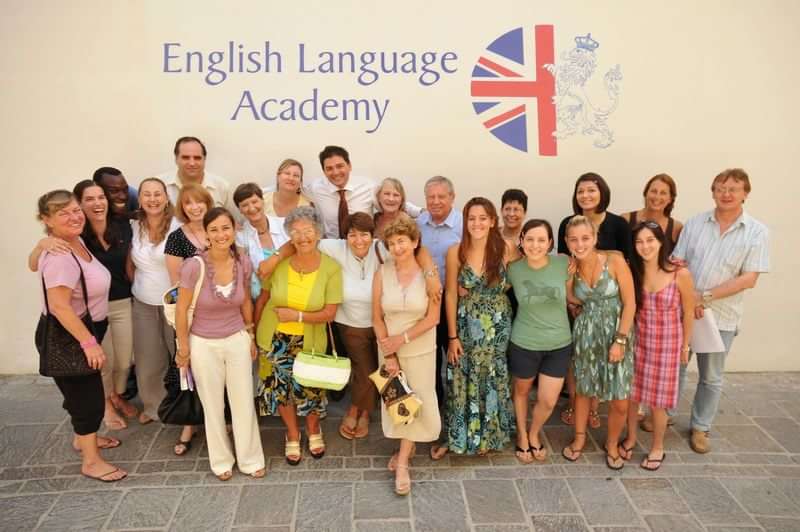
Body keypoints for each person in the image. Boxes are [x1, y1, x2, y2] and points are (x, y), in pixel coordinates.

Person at [670, 168, 769, 454]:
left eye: (733, 189)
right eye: (720, 188)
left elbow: (749, 278)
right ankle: (665, 414)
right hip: (685, 311)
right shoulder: (696, 223)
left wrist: (705, 297)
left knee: (711, 376)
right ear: (712, 191)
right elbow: (677, 261)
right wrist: (691, 299)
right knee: (676, 367)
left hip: (721, 317)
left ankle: (701, 427)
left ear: (745, 194)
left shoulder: (756, 232)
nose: (726, 194)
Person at [28, 181, 139, 430]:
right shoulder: (69, 236)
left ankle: (112, 397)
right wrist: (40, 244)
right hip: (83, 318)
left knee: (121, 362)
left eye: (102, 197)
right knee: (98, 368)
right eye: (89, 200)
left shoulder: (110, 229)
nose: (97, 203)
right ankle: (103, 407)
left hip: (112, 308)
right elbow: (37, 268)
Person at [34, 190, 127, 482]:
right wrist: (88, 343)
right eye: (63, 213)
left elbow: (32, 263)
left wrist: (39, 246)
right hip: (71, 333)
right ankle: (91, 461)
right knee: (88, 399)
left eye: (75, 210)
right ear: (47, 220)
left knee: (80, 393)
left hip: (85, 328)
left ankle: (82, 439)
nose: (74, 216)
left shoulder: (76, 243)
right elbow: (59, 306)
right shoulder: (61, 256)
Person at [175, 207, 266, 481]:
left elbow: (247, 302)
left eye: (225, 228)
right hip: (203, 342)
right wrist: (183, 348)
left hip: (237, 338)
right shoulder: (194, 266)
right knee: (212, 405)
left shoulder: (243, 262)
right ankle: (221, 461)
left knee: (242, 402)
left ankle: (250, 459)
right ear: (206, 233)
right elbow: (181, 309)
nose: (220, 234)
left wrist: (250, 335)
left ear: (234, 230)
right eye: (213, 229)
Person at [254, 206, 342, 465]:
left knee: (311, 391)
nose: (303, 237)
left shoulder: (331, 269)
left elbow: (329, 313)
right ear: (289, 237)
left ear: (318, 233)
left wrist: (298, 316)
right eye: (296, 232)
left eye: (308, 231)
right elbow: (263, 299)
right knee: (281, 392)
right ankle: (292, 433)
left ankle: (313, 429)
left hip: (310, 340)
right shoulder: (279, 263)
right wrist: (252, 333)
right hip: (275, 338)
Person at [433, 197, 514, 458]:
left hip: (497, 326)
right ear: (464, 221)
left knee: (491, 376)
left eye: (482, 218)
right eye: (471, 218)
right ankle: (460, 435)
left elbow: (523, 276)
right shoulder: (455, 251)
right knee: (461, 376)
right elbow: (450, 296)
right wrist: (453, 336)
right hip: (466, 325)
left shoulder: (507, 249)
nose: (477, 223)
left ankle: (488, 436)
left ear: (492, 221)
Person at [557, 172, 632, 429]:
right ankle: (579, 414)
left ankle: (598, 415)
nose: (586, 195)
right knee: (581, 374)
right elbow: (566, 276)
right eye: (581, 191)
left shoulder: (616, 238)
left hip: (613, 315)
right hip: (585, 318)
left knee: (615, 385)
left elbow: (628, 292)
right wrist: (572, 302)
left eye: (591, 190)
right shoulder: (567, 227)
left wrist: (621, 337)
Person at [372, 216, 441, 495]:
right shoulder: (382, 273)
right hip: (388, 350)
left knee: (418, 402)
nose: (397, 247)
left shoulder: (430, 274)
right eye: (391, 243)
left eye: (402, 241)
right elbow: (376, 317)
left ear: (414, 242)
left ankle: (402, 462)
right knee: (399, 404)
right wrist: (388, 349)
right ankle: (405, 450)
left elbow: (433, 317)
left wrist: (404, 339)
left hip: (420, 349)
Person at [561, 215, 635, 470]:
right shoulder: (571, 267)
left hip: (616, 334)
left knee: (619, 397)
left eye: (585, 238)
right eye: (574, 239)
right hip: (586, 334)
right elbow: (572, 298)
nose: (580, 244)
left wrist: (620, 340)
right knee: (583, 389)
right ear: (567, 242)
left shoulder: (613, 261)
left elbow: (630, 303)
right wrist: (570, 279)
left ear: (594, 238)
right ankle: (579, 439)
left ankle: (612, 443)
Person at [627, 221, 695, 470]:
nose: (645, 246)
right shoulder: (634, 272)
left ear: (660, 242)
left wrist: (685, 346)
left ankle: (657, 446)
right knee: (632, 394)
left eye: (650, 240)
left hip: (667, 344)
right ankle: (631, 438)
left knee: (658, 400)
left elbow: (688, 312)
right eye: (639, 241)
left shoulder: (680, 273)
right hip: (639, 341)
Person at [507, 220, 573, 463]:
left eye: (541, 240)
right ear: (522, 240)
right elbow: (493, 288)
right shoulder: (513, 268)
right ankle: (523, 436)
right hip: (524, 342)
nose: (535, 245)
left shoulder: (564, 263)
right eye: (530, 239)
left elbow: (572, 295)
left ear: (550, 243)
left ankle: (535, 431)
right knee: (521, 391)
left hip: (559, 343)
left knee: (548, 399)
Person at [164, 183, 214, 455]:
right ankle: (189, 423)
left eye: (199, 202)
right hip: (190, 311)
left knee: (217, 369)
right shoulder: (176, 238)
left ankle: (218, 418)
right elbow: (175, 282)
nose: (194, 207)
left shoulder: (218, 229)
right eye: (188, 204)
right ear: (182, 208)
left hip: (220, 313)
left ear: (208, 203)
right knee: (188, 366)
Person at [129, 177, 180, 426]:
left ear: (166, 197)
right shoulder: (133, 226)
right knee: (149, 357)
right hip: (143, 301)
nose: (152, 199)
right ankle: (154, 406)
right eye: (147, 194)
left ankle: (186, 406)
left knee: (179, 354)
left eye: (157, 194)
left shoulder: (178, 226)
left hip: (173, 303)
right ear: (139, 199)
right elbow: (130, 264)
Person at [303, 145, 420, 238]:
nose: (335, 172)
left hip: (364, 247)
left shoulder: (368, 186)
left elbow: (391, 201)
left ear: (349, 166)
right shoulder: (315, 188)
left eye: (340, 166)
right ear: (323, 171)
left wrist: (421, 211)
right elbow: (294, 190)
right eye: (329, 168)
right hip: (334, 247)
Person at [416, 175, 462, 408]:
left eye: (441, 196)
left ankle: (457, 405)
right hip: (425, 304)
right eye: (430, 197)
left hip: (454, 303)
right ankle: (434, 403)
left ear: (452, 197)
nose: (435, 201)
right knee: (430, 358)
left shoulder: (465, 224)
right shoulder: (418, 223)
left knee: (456, 357)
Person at [233, 183, 289, 300]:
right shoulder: (240, 237)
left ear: (263, 201)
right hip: (262, 297)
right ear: (240, 210)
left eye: (254, 201)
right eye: (245, 205)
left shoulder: (284, 224)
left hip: (293, 289)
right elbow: (245, 274)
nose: (252, 208)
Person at [159, 136, 237, 214]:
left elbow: (236, 222)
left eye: (197, 158)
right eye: (185, 157)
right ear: (176, 159)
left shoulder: (222, 187)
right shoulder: (160, 185)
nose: (192, 163)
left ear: (204, 159)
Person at [622, 173, 683, 256]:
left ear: (670, 199)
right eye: (654, 191)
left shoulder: (677, 228)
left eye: (663, 193)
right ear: (645, 194)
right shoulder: (625, 220)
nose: (657, 197)